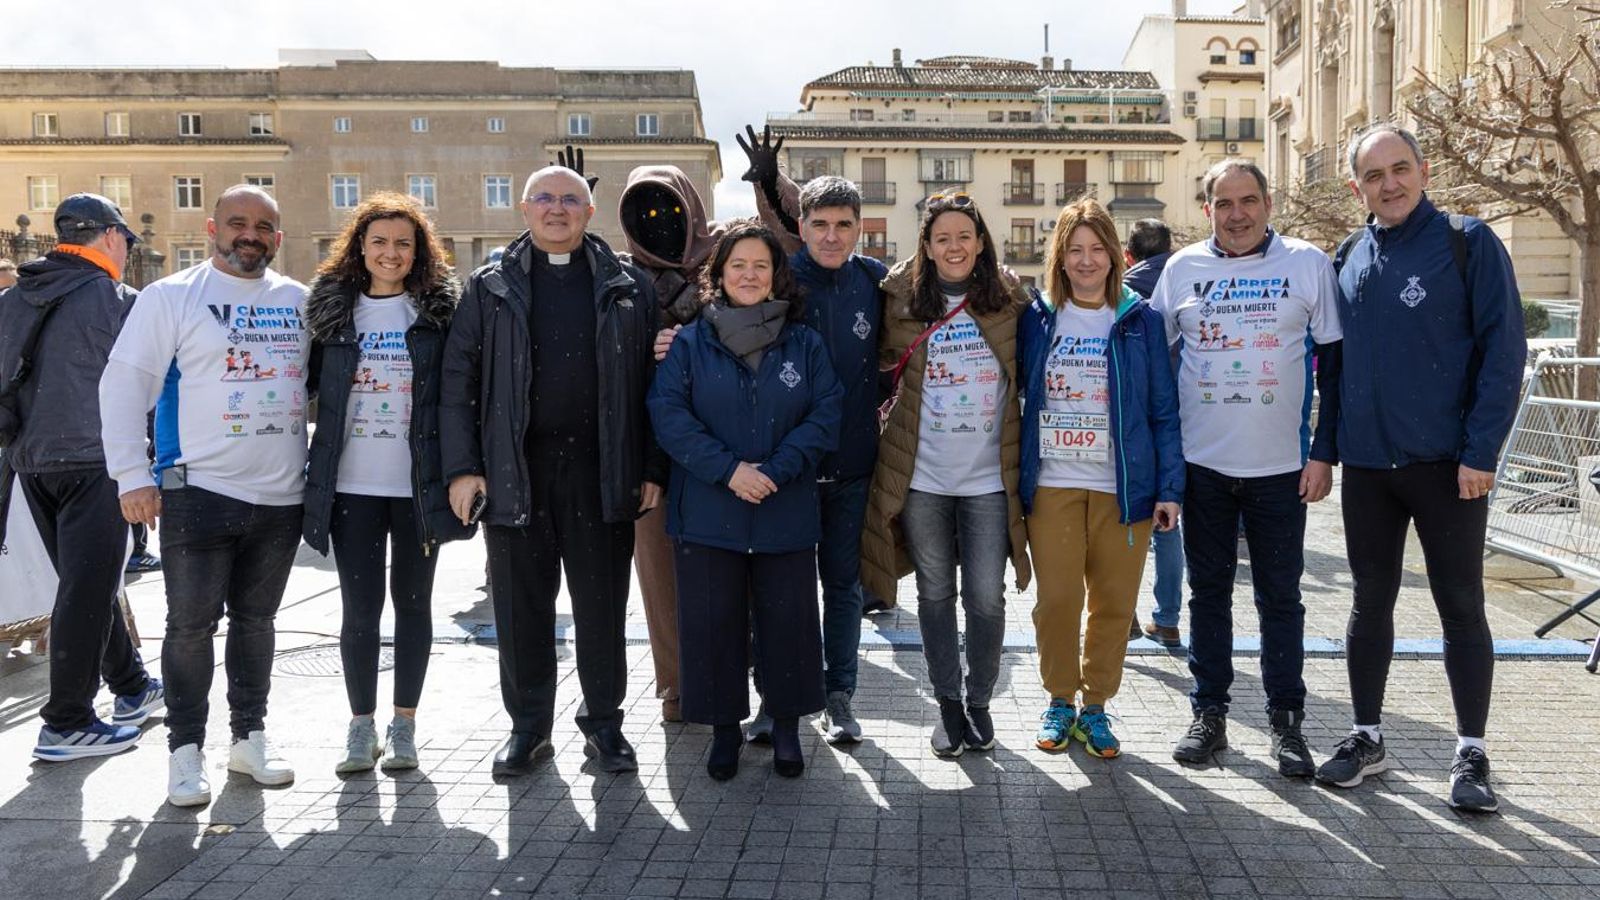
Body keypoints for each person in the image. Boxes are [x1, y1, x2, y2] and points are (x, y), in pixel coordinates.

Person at [1316, 123, 1526, 813]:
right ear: (1358, 189)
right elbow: (1333, 367)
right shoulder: (1348, 254)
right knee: (1368, 602)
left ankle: (1471, 751)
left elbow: (1504, 351)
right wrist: (1325, 449)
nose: (1390, 184)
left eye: (1400, 168)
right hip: (1368, 468)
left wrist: (1480, 452)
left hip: (1448, 467)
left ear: (1424, 171)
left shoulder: (1469, 242)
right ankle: (1367, 737)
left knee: (1461, 605)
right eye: (1374, 176)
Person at [440, 165, 664, 776]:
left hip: (603, 472)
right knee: (521, 612)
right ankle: (529, 729)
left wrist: (650, 465)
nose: (557, 209)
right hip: (516, 473)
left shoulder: (629, 285)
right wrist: (463, 468)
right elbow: (457, 381)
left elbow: (653, 385)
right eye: (544, 198)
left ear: (590, 212)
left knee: (602, 610)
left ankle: (605, 725)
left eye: (570, 199)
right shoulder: (488, 288)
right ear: (524, 209)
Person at [101, 184, 307, 807]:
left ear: (278, 237)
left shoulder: (298, 300)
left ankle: (249, 739)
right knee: (190, 627)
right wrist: (131, 475)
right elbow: (124, 384)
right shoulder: (171, 296)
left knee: (257, 623)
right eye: (237, 223)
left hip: (281, 497)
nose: (250, 235)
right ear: (213, 229)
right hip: (198, 493)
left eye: (263, 227)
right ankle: (185, 751)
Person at [1149, 160, 1341, 778]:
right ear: (1207, 210)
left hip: (1282, 470)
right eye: (1224, 203)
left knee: (1280, 599)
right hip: (1203, 467)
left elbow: (1334, 367)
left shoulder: (1307, 264)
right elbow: (1154, 364)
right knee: (1207, 596)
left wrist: (1323, 452)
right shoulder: (1181, 270)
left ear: (1268, 203)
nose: (1237, 215)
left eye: (1249, 200)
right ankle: (1209, 714)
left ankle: (1287, 723)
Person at [648, 219, 842, 780]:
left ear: (777, 275)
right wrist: (730, 471)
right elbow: (669, 416)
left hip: (784, 507)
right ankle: (724, 731)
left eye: (761, 265)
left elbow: (825, 413)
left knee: (789, 623)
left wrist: (774, 471)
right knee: (713, 624)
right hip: (709, 511)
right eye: (739, 265)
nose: (750, 275)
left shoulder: (804, 343)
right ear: (720, 274)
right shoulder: (689, 342)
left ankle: (786, 726)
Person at [301, 192, 474, 774]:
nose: (391, 253)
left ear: (420, 251)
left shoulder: (439, 315)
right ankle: (360, 727)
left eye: (403, 242)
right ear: (359, 247)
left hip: (418, 487)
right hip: (351, 485)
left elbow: (460, 396)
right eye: (379, 241)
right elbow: (300, 385)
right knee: (360, 609)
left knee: (414, 605)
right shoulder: (332, 313)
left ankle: (404, 725)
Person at [861, 190, 1031, 758]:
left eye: (964, 236)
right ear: (927, 248)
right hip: (922, 479)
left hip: (989, 482)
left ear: (981, 242)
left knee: (986, 598)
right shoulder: (899, 302)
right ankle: (948, 704)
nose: (954, 247)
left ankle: (979, 702)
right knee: (935, 595)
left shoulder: (1011, 302)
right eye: (942, 238)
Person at [0, 193, 163, 762]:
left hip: (30, 463)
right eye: (126, 242)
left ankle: (132, 686)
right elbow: (151, 388)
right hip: (98, 462)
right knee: (87, 590)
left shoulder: (13, 297)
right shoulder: (119, 300)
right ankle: (66, 723)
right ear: (112, 237)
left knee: (87, 584)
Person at [1019, 199, 1183, 757]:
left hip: (1123, 486)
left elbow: (1164, 411)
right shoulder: (1037, 318)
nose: (1086, 260)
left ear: (1115, 256)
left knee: (1113, 604)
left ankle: (1096, 707)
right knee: (1057, 601)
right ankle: (1059, 699)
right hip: (1053, 484)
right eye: (1075, 250)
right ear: (1060, 258)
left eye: (1096, 249)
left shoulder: (1141, 320)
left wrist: (1169, 489)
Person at [1122, 218, 1185, 648]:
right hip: (1183, 414)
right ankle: (1167, 619)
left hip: (1132, 418)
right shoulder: (1186, 278)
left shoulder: (1121, 291)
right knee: (1168, 520)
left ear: (1128, 255)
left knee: (1125, 518)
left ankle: (1123, 613)